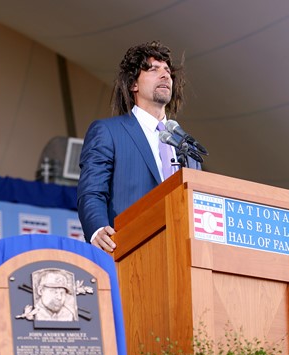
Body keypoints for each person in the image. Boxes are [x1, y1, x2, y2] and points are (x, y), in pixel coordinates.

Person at [77, 40, 201, 253]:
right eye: (153, 69)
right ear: (133, 84)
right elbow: (92, 191)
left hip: (181, 252)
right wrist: (97, 229)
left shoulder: (186, 145)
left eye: (167, 71)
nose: (164, 75)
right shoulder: (108, 131)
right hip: (130, 251)